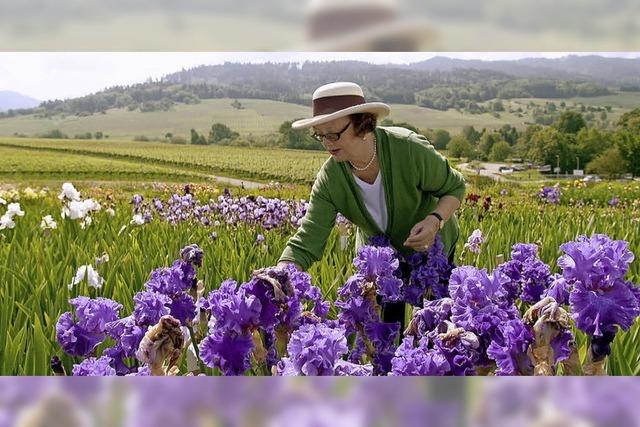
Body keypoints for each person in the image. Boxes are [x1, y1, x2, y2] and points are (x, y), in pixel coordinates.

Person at [276, 81, 466, 329]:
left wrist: (434, 220)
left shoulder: (408, 150)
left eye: (333, 133)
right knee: (386, 334)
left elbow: (455, 188)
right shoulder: (331, 179)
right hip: (379, 264)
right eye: (320, 135)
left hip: (430, 250)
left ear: (362, 124)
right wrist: (279, 274)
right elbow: (308, 238)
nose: (327, 143)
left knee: (436, 329)